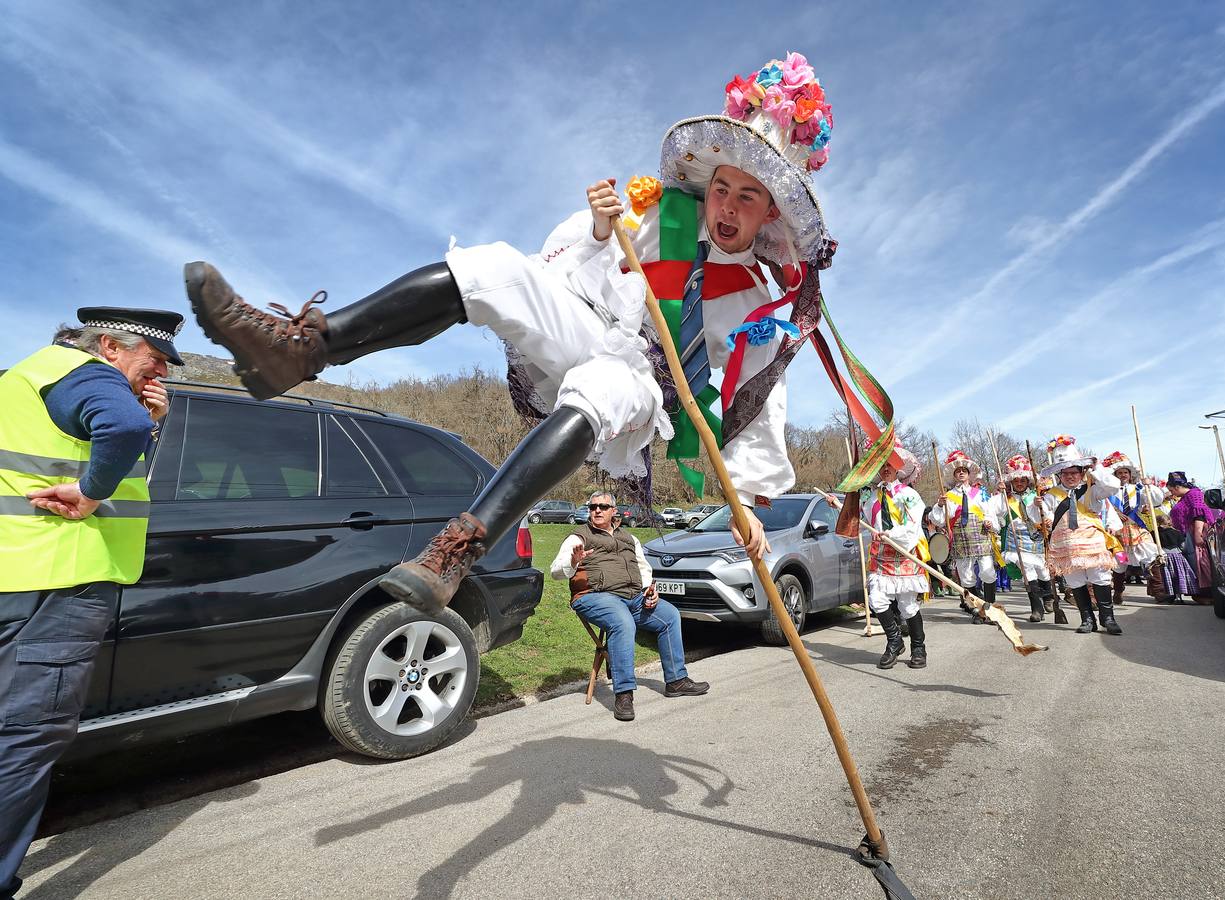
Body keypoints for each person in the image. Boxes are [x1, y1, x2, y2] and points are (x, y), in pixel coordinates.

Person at [184, 52, 837, 620]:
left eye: (746, 198)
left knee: (603, 386)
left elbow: (758, 401)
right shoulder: (668, 218)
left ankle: (458, 548)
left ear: (770, 213)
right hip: (602, 327)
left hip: (650, 388)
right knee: (495, 267)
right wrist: (603, 226)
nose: (726, 205)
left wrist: (748, 504)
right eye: (721, 187)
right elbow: (577, 263)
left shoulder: (763, 295)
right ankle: (302, 348)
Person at [0, 308, 180, 899]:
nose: (160, 374)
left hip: (17, 572)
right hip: (59, 582)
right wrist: (88, 490)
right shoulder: (88, 374)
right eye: (153, 361)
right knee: (27, 736)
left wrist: (145, 428)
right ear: (110, 345)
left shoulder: (24, 378)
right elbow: (120, 430)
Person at [550, 491, 709, 721]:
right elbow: (555, 571)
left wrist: (648, 592)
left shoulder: (629, 538)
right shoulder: (579, 537)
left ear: (614, 511)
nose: (597, 510)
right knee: (622, 622)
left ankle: (676, 681)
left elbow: (644, 569)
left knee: (670, 615)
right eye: (593, 506)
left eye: (603, 507)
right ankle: (624, 694)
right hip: (594, 596)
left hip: (632, 597)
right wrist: (573, 562)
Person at [834, 438, 929, 669]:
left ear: (898, 468)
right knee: (877, 600)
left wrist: (892, 534)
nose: (886, 469)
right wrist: (836, 504)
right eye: (882, 465)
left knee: (907, 605)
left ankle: (918, 648)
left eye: (890, 464)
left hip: (903, 552)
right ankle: (895, 641)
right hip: (880, 554)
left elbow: (913, 525)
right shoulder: (870, 496)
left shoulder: (909, 495)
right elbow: (856, 514)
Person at [1028, 435, 1126, 635]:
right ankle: (1087, 619)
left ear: (1082, 472)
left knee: (1100, 577)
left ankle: (1108, 618)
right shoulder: (1051, 494)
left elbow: (1113, 486)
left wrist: (1096, 468)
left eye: (1074, 472)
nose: (1070, 476)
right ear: (1059, 475)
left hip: (1092, 541)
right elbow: (1039, 517)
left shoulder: (1093, 489)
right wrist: (1036, 506)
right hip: (1065, 545)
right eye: (1065, 473)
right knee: (1075, 581)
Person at [928, 450, 999, 624]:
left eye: (964, 470)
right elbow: (938, 520)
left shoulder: (981, 493)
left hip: (981, 535)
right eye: (957, 470)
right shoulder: (949, 496)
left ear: (969, 474)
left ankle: (989, 608)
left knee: (988, 572)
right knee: (966, 576)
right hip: (961, 539)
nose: (961, 472)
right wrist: (939, 505)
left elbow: (990, 512)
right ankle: (976, 609)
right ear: (954, 475)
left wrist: (990, 522)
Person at [991, 456, 1054, 623]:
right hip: (1015, 538)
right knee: (1027, 570)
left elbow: (1048, 515)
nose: (1019, 483)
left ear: (1028, 481)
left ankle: (1048, 595)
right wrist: (1000, 492)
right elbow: (993, 512)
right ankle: (1036, 608)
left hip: (1035, 537)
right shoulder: (1005, 498)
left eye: (1022, 480)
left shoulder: (1037, 496)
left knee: (1042, 570)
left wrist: (1047, 518)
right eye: (1016, 480)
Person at [1101, 451, 1165, 607]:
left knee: (1152, 553)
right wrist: (1115, 513)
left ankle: (1159, 590)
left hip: (1136, 527)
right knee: (1119, 561)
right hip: (1116, 530)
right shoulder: (1108, 490)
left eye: (1125, 473)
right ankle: (1118, 590)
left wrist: (1149, 485)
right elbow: (1101, 505)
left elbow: (1156, 500)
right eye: (1120, 473)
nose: (1123, 475)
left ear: (1130, 475)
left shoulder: (1137, 488)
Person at [1167, 471, 1221, 604]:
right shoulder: (1186, 497)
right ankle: (1202, 593)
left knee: (1200, 562)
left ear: (1177, 487)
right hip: (1189, 535)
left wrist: (1197, 535)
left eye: (1171, 490)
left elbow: (1199, 515)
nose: (1171, 493)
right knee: (1194, 562)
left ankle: (1208, 595)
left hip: (1195, 533)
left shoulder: (1194, 495)